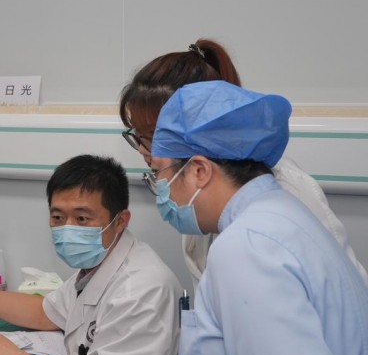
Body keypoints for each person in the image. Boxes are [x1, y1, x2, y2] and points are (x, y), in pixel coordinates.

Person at [148, 80, 368, 355]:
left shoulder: (246, 247)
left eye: (158, 173)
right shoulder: (282, 215)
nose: (159, 189)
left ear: (199, 170)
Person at [119, 39, 368, 287]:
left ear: (203, 124)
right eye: (137, 135)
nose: (142, 149)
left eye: (152, 136)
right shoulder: (197, 197)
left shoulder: (284, 194)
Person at [0, 155, 182, 355]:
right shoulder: (99, 265)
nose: (67, 229)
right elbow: (45, 312)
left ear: (120, 220)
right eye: (57, 217)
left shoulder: (143, 290)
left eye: (82, 219)